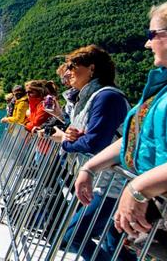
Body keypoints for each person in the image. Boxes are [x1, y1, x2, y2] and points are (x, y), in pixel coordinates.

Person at [75, 0, 167, 261]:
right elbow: (138, 137)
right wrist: (89, 167)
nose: (146, 43)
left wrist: (139, 188)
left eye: (152, 34)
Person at [50, 45, 131, 260]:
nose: (68, 72)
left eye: (72, 66)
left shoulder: (107, 98)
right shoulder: (90, 98)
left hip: (111, 184)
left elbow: (94, 142)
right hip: (100, 181)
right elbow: (82, 134)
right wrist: (71, 134)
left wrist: (65, 141)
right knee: (111, 240)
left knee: (73, 235)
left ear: (92, 69)